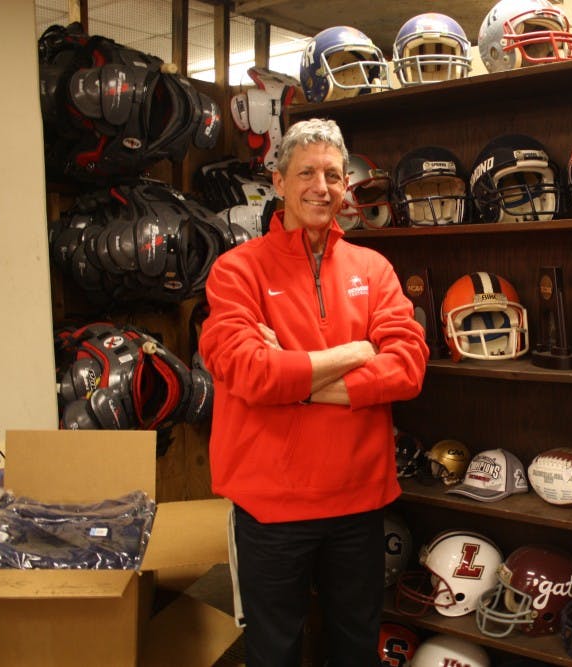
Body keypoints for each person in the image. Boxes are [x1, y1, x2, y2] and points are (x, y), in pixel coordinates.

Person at [199, 117, 429, 666]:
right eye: (306, 173)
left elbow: (409, 367)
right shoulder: (236, 273)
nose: (321, 188)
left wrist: (295, 379)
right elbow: (247, 371)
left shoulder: (373, 270)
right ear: (279, 182)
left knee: (354, 647)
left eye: (332, 174)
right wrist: (356, 352)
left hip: (357, 500)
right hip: (270, 507)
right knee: (273, 650)